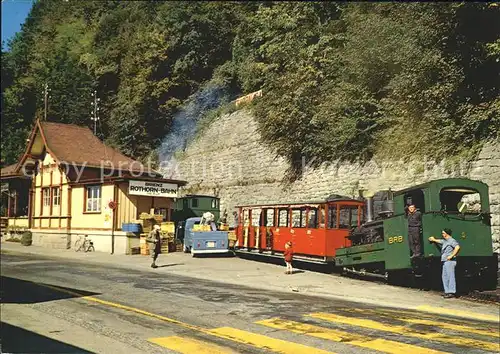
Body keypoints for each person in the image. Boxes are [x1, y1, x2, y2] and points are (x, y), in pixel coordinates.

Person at [429, 228, 461, 298]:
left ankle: (451, 292)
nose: (442, 234)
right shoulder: (445, 241)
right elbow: (440, 241)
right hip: (445, 261)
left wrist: (452, 255)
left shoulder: (452, 241)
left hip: (450, 261)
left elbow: (457, 247)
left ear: (447, 234)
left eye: (443, 233)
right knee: (445, 277)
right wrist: (433, 239)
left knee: (450, 276)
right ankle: (447, 291)